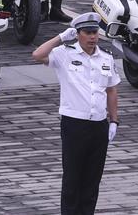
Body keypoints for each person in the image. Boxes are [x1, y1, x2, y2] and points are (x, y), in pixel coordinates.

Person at [32, 13, 119, 215]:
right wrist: (60, 37)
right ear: (78, 34)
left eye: (95, 32)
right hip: (74, 124)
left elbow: (112, 89)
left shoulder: (106, 57)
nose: (92, 37)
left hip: (98, 125)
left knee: (92, 179)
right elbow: (37, 55)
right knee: (72, 178)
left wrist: (114, 120)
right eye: (87, 33)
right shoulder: (64, 53)